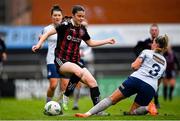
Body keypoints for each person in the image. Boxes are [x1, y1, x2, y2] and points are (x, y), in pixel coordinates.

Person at [32, 5, 115, 114]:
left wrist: (107, 41)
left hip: (75, 61)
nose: (81, 18)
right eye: (79, 16)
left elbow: (90, 43)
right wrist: (39, 44)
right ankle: (66, 95)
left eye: (83, 16)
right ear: (73, 15)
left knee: (93, 82)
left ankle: (98, 111)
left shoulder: (82, 30)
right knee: (78, 71)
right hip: (61, 60)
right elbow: (47, 33)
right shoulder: (65, 25)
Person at [75, 35, 168, 117]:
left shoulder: (147, 52)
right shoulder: (164, 62)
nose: (152, 44)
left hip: (137, 79)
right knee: (133, 112)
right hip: (151, 86)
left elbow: (134, 66)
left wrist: (135, 65)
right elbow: (159, 80)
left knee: (111, 99)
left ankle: (87, 114)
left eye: (153, 42)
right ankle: (148, 108)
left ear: (156, 44)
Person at [38, 5, 69, 107]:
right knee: (53, 85)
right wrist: (39, 43)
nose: (57, 17)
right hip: (52, 60)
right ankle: (47, 104)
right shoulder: (47, 29)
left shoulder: (66, 28)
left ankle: (59, 107)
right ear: (51, 16)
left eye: (59, 15)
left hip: (64, 60)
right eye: (55, 15)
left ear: (61, 16)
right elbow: (41, 41)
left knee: (64, 86)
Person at [134, 24, 160, 108]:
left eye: (155, 30)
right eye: (152, 30)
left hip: (158, 67)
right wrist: (139, 58)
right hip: (146, 68)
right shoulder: (146, 42)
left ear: (158, 31)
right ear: (150, 32)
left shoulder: (161, 43)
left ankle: (156, 100)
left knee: (156, 85)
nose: (154, 32)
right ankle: (145, 101)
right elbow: (136, 48)